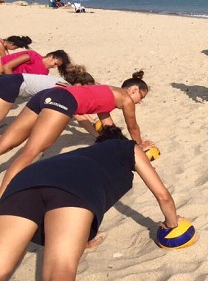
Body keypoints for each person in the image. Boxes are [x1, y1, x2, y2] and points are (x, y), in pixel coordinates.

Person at [0, 125, 184, 281]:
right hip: (74, 189)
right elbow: (163, 196)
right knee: (59, 277)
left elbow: (55, 199)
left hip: (26, 181)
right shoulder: (126, 147)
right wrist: (172, 223)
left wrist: (82, 239)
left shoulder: (82, 155)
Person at [0, 71, 154, 195]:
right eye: (141, 96)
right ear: (134, 89)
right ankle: (3, 197)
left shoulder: (107, 92)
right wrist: (139, 146)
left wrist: (124, 149)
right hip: (61, 100)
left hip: (46, 94)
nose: (139, 101)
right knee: (31, 152)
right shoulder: (126, 100)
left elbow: (110, 131)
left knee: (6, 143)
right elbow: (132, 127)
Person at [0, 64, 94, 123]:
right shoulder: (65, 88)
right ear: (78, 85)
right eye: (86, 88)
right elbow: (78, 115)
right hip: (12, 85)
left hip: (10, 79)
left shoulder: (61, 82)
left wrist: (91, 120)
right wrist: (97, 134)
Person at [1, 49, 70, 76]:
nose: (54, 67)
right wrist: (12, 84)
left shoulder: (45, 72)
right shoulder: (32, 56)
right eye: (55, 64)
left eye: (57, 66)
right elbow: (6, 66)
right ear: (51, 56)